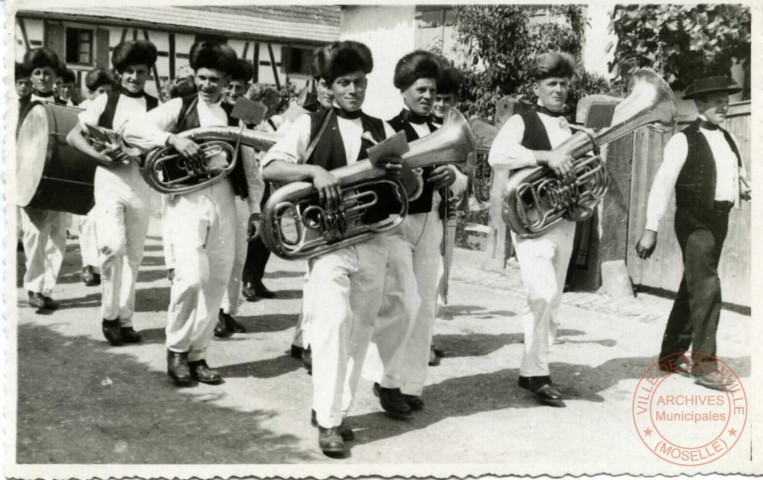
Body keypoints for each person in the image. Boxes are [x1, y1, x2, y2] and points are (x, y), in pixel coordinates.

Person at [261, 40, 402, 457]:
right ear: (328, 85)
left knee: (359, 332)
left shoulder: (384, 129)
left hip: (373, 239)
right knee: (332, 326)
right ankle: (328, 421)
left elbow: (407, 188)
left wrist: (402, 174)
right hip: (328, 245)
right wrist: (313, 169)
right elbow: (269, 166)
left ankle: (335, 410)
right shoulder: (310, 124)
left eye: (359, 82)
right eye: (344, 83)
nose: (353, 90)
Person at [123, 40, 261, 386]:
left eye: (214, 79)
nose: (207, 85)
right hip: (186, 201)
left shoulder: (238, 113)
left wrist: (256, 209)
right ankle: (176, 350)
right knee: (191, 277)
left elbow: (251, 166)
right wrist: (171, 141)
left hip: (226, 200)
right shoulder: (179, 106)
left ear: (226, 79)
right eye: (202, 77)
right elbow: (130, 129)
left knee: (216, 281)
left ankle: (199, 355)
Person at [636, 75, 750, 391]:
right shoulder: (682, 140)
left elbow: (735, 174)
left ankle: (671, 356)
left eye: (726, 100)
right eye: (717, 100)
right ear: (700, 105)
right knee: (708, 286)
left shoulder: (729, 139)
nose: (724, 105)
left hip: (719, 221)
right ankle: (704, 367)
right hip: (694, 222)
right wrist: (650, 229)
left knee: (695, 285)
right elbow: (661, 185)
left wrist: (743, 188)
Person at [372, 50, 468, 413]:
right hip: (398, 224)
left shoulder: (445, 129)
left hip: (433, 222)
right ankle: (387, 381)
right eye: (420, 90)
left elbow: (462, 178)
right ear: (404, 92)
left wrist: (453, 177)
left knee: (426, 305)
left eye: (431, 90)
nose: (427, 97)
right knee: (400, 303)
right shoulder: (387, 128)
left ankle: (411, 384)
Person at [488, 52, 578, 408]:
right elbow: (498, 155)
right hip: (532, 220)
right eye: (552, 83)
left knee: (553, 300)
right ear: (537, 87)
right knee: (541, 292)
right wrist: (544, 157)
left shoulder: (569, 127)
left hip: (565, 221)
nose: (559, 90)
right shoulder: (521, 121)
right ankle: (537, 373)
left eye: (564, 84)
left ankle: (535, 371)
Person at [66, 40, 160, 346]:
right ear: (119, 73)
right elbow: (73, 136)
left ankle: (125, 319)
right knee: (112, 248)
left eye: (141, 72)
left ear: (148, 74)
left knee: (133, 256)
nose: (135, 77)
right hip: (109, 182)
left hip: (141, 185)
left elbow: (160, 150)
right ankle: (109, 315)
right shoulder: (106, 101)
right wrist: (100, 156)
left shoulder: (155, 107)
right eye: (129, 71)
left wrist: (143, 155)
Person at [18, 48, 70, 311]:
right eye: (37, 73)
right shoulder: (19, 105)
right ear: (31, 76)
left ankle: (47, 288)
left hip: (59, 178)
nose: (42, 78)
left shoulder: (66, 106)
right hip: (29, 178)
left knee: (58, 234)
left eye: (47, 73)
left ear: (55, 76)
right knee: (35, 234)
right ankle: (33, 287)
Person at [215, 58, 257, 337]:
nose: (232, 92)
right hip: (219, 193)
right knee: (221, 256)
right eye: (228, 86)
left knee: (239, 259)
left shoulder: (249, 112)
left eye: (238, 88)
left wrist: (255, 205)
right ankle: (216, 312)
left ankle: (230, 311)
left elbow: (254, 163)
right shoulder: (213, 112)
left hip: (241, 193)